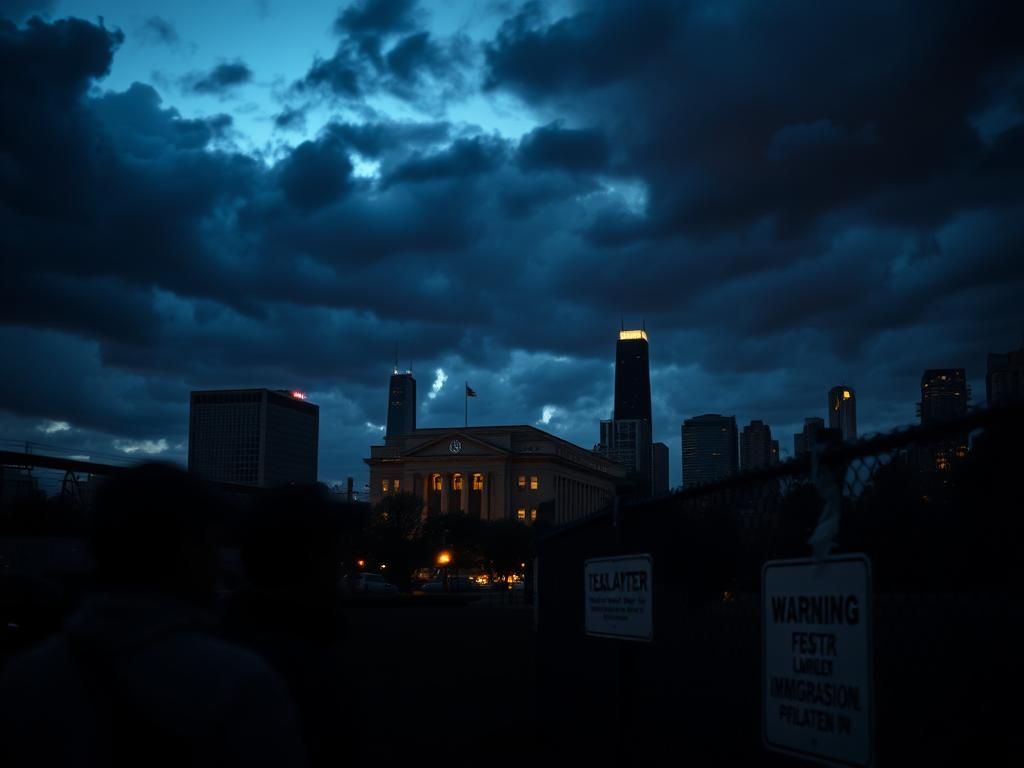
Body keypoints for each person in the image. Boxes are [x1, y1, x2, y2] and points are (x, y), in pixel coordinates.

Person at [0, 463, 307, 768]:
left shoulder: (23, 679)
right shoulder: (241, 684)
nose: (218, 563)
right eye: (210, 543)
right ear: (189, 551)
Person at [223, 483, 357, 768]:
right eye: (333, 548)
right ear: (311, 558)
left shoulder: (235, 636)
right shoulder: (285, 664)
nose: (341, 563)